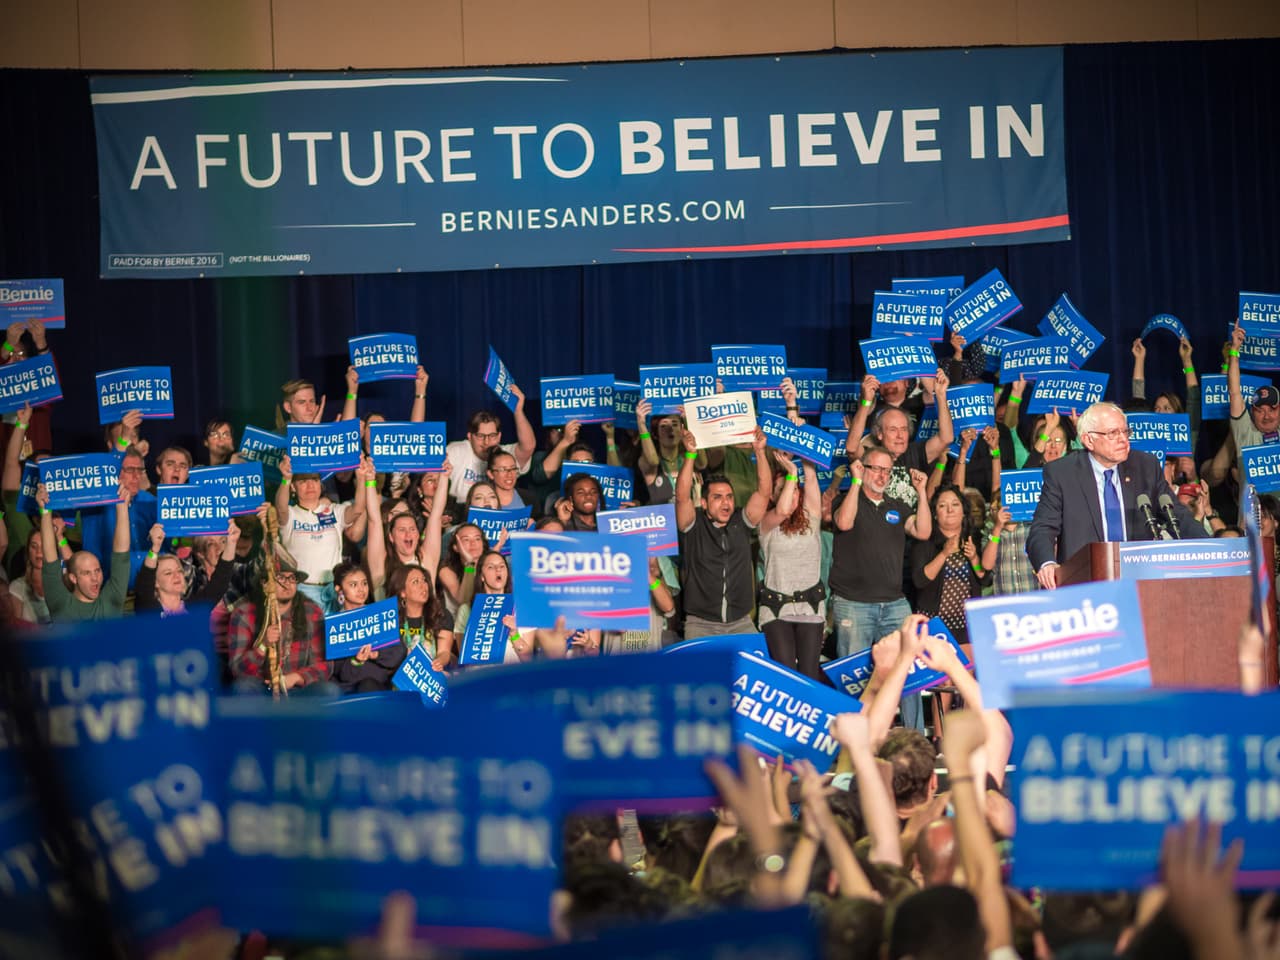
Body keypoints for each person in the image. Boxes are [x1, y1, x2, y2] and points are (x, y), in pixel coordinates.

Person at [1027, 402, 1205, 589]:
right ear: (1089, 440)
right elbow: (1042, 528)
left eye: (1125, 432)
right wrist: (1047, 564)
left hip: (1140, 581)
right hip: (1084, 583)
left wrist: (1209, 548)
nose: (1123, 440)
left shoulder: (1145, 466)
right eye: (1113, 433)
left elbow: (1177, 515)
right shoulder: (1063, 473)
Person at [829, 445, 931, 727]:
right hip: (853, 603)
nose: (882, 475)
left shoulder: (896, 506)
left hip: (894, 603)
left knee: (909, 672)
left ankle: (914, 739)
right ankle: (853, 744)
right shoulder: (846, 500)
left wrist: (921, 492)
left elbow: (923, 531)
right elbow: (845, 523)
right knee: (853, 681)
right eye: (876, 468)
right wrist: (856, 483)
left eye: (887, 470)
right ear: (863, 468)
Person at [675, 427, 771, 639]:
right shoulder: (693, 524)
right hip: (700, 625)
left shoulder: (741, 521)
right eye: (717, 497)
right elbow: (682, 497)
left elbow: (764, 492)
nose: (726, 502)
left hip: (741, 623)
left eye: (729, 496)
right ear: (703, 502)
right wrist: (690, 454)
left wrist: (760, 452)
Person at [758, 449, 825, 682]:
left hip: (811, 608)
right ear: (774, 496)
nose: (792, 492)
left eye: (796, 488)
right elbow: (784, 510)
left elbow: (813, 477)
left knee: (808, 677)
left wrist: (801, 444)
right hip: (777, 609)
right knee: (786, 677)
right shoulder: (767, 523)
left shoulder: (812, 517)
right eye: (785, 488)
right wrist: (791, 473)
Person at [275, 454, 372, 610]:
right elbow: (280, 507)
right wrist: (286, 478)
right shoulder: (291, 514)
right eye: (303, 481)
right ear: (293, 487)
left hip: (334, 590)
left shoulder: (334, 511)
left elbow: (358, 509)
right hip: (303, 590)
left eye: (314, 480)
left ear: (321, 484)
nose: (310, 485)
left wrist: (361, 478)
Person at [227, 553, 330, 694]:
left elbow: (325, 664)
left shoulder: (311, 611)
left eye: (292, 578)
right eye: (280, 577)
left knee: (329, 691)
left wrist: (296, 678)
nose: (287, 583)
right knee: (242, 688)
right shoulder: (244, 613)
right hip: (262, 688)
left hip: (297, 687)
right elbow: (238, 670)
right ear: (265, 584)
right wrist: (263, 646)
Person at [37, 483, 132, 621]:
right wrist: (45, 511)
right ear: (73, 578)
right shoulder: (61, 604)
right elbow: (50, 561)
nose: (95, 578)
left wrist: (122, 506)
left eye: (97, 570)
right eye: (86, 573)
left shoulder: (111, 600)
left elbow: (121, 555)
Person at [330, 560, 408, 692]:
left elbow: (399, 653)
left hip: (380, 686)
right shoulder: (334, 626)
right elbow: (339, 673)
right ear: (339, 589)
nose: (361, 590)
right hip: (347, 689)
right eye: (353, 585)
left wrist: (376, 654)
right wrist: (356, 660)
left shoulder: (380, 615)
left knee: (369, 685)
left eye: (364, 583)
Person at [135, 520, 239, 615]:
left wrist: (232, 543)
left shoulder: (194, 608)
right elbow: (145, 582)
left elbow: (220, 582)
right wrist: (155, 548)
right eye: (168, 573)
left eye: (179, 571)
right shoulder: (149, 610)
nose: (176, 575)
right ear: (156, 583)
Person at [445, 399, 536, 504]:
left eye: (492, 436)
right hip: (460, 513)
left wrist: (518, 410)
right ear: (470, 436)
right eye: (480, 436)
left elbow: (528, 446)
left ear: (499, 436)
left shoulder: (505, 455)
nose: (486, 442)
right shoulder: (456, 451)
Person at [386, 562, 455, 671]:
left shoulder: (441, 614)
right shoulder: (390, 620)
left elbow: (444, 652)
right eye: (415, 582)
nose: (423, 586)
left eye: (424, 580)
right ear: (402, 592)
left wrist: (438, 662)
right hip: (398, 676)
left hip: (430, 674)